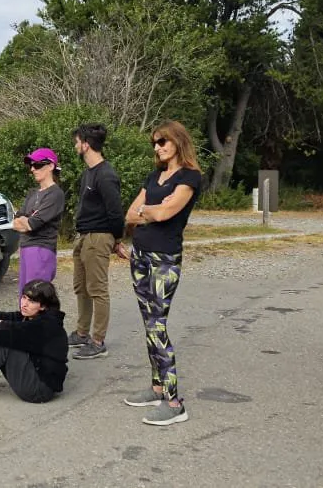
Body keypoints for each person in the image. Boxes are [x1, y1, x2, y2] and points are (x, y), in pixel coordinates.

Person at [120, 121, 203, 426]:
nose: (157, 147)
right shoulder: (156, 176)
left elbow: (168, 213)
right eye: (154, 143)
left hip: (164, 259)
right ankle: (157, 388)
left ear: (178, 140)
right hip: (139, 255)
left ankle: (174, 402)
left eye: (162, 141)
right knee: (148, 323)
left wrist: (151, 210)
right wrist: (151, 210)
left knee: (158, 326)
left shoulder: (190, 177)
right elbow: (130, 214)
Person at [67, 124, 125, 359]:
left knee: (97, 290)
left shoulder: (106, 174)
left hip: (99, 237)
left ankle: (98, 341)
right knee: (81, 287)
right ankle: (81, 333)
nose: (75, 146)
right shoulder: (87, 173)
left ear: (86, 144)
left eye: (77, 141)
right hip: (83, 237)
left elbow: (116, 213)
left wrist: (116, 240)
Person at [13, 148, 64, 296]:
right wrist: (24, 220)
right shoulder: (32, 193)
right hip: (25, 247)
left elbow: (31, 224)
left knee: (36, 297)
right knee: (24, 296)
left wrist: (26, 221)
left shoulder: (55, 194)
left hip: (41, 249)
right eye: (31, 166)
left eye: (37, 165)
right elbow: (16, 222)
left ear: (51, 166)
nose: (33, 169)